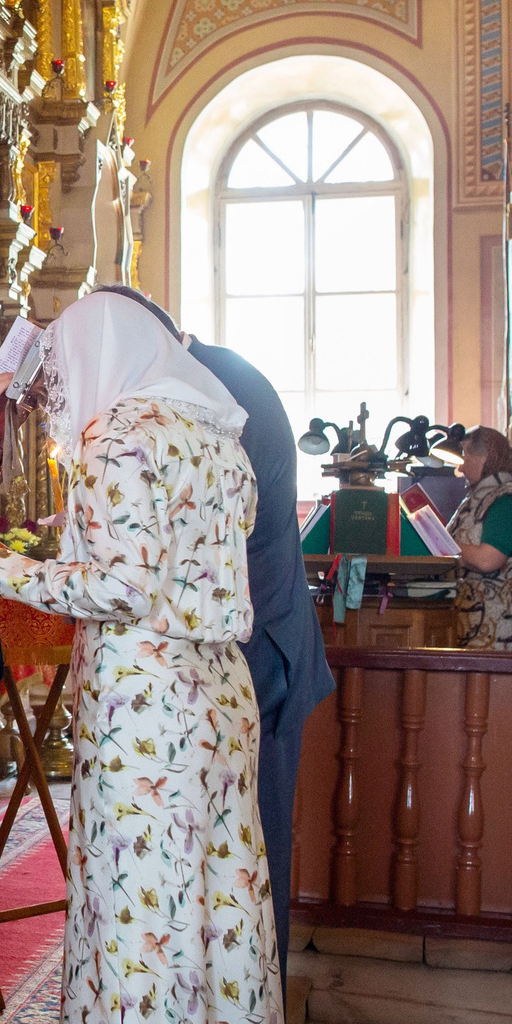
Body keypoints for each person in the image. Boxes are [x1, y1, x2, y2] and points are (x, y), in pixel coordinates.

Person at [0, 291, 294, 1024]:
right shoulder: (214, 428)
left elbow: (122, 587)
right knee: (209, 917)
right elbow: (181, 566)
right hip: (216, 700)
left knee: (140, 931)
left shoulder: (120, 434)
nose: (60, 400)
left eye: (59, 379)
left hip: (146, 712)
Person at [186, 305, 332, 966]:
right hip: (254, 641)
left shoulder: (218, 390)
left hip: (259, 653)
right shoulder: (213, 374)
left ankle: (259, 1003)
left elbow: (211, 534)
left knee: (255, 849)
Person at [451, 426, 512, 651]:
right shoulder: (481, 497)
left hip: (499, 636)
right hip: (472, 628)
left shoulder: (509, 502)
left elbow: (487, 560)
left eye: (465, 456)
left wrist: (444, 546)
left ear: (484, 457)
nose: (460, 467)